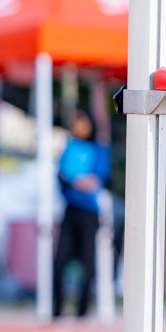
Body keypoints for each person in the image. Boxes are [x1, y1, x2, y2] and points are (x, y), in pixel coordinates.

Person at [52, 109, 109, 319]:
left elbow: (97, 180)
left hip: (89, 212)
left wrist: (76, 180)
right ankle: (57, 309)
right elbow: (62, 176)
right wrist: (77, 181)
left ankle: (82, 310)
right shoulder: (69, 147)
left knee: (87, 262)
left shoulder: (99, 150)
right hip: (70, 210)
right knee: (60, 262)